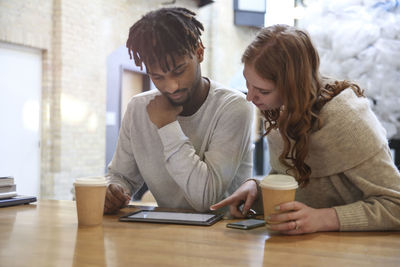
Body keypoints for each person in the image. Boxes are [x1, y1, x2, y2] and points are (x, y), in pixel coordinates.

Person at [210, 24, 400, 234]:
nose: (250, 98)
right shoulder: (278, 110)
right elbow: (300, 184)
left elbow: (395, 203)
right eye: (248, 84)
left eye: (263, 91)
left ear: (292, 86)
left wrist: (324, 219)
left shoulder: (349, 119)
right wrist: (258, 189)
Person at [104, 7, 253, 213]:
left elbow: (206, 200)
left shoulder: (234, 107)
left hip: (223, 233)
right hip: (166, 233)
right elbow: (121, 176)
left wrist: (167, 126)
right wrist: (113, 191)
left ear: (199, 52)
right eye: (158, 77)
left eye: (179, 71)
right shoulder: (138, 109)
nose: (171, 86)